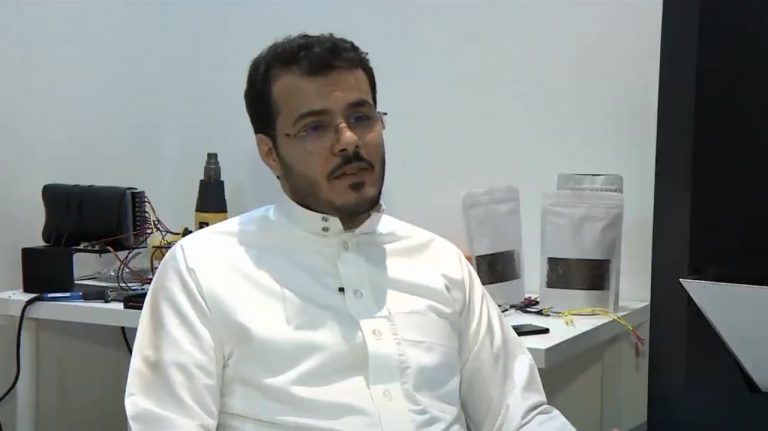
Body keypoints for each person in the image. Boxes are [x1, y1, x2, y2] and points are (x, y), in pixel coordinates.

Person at [125, 33, 574, 431]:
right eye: (314, 127)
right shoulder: (204, 269)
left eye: (361, 118)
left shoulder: (440, 263)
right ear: (270, 153)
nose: (348, 141)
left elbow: (518, 415)